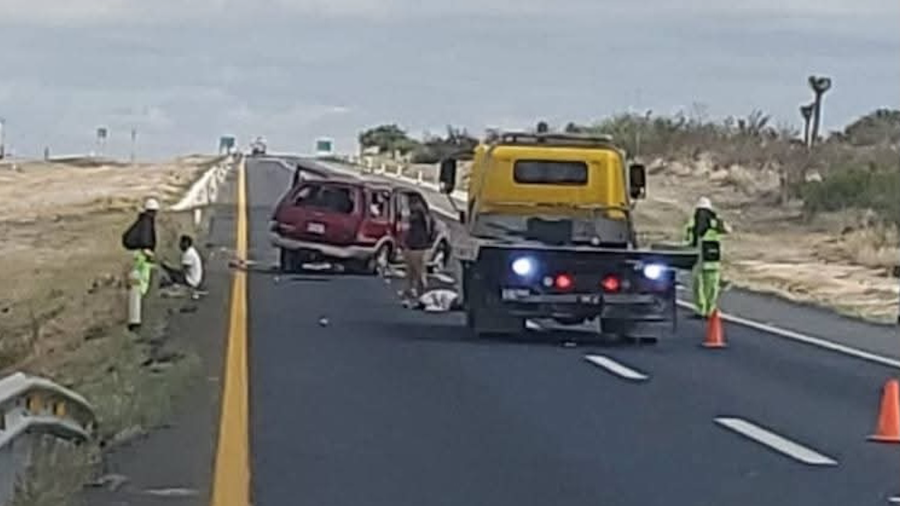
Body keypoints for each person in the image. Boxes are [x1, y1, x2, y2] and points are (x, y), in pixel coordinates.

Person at [684, 197, 731, 318]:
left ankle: (703, 309)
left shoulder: (696, 222)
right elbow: (727, 230)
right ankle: (708, 309)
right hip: (711, 259)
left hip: (702, 259)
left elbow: (688, 239)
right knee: (710, 286)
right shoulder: (713, 222)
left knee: (702, 286)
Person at [402, 195, 434, 303]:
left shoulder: (418, 214)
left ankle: (421, 292)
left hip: (417, 245)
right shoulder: (423, 215)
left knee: (417, 270)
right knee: (412, 270)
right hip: (414, 244)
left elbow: (425, 227)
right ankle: (410, 291)